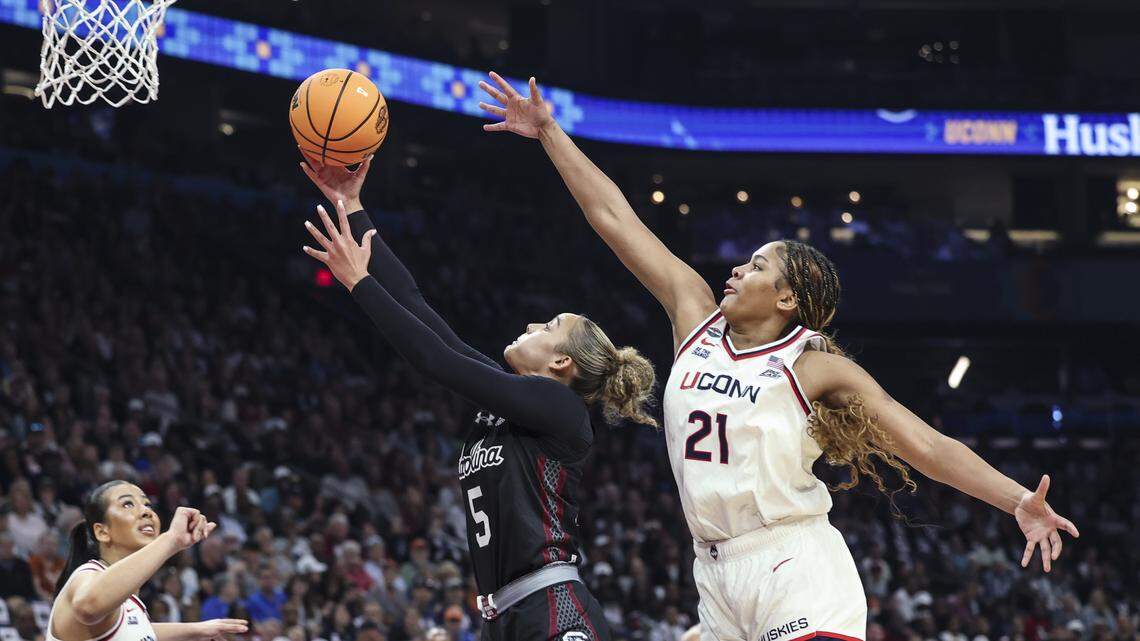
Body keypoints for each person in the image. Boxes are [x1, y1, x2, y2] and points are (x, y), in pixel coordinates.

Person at [477, 72, 1081, 641]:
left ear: (787, 298)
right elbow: (613, 217)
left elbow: (927, 446)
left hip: (793, 564)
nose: (738, 270)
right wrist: (550, 133)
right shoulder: (695, 318)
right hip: (713, 575)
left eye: (757, 266)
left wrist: (1016, 501)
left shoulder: (813, 364)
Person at [300, 156, 658, 641]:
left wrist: (359, 283)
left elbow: (435, 360)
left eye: (549, 326)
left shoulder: (562, 409)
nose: (532, 324)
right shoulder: (510, 403)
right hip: (502, 616)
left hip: (552, 609)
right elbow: (416, 306)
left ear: (561, 362)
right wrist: (353, 206)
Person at [48, 480, 248, 641]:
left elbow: (135, 630)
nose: (146, 511)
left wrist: (198, 630)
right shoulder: (86, 575)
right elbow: (88, 607)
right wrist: (172, 539)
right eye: (128, 504)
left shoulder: (129, 604)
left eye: (147, 504)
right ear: (102, 532)